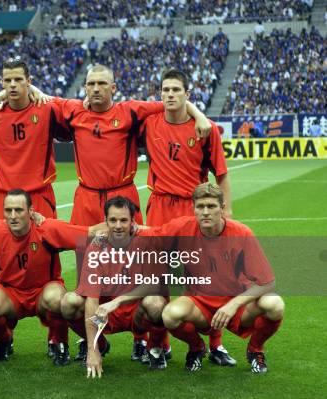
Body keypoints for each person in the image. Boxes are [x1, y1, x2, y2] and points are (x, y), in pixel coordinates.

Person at [57, 64, 212, 361]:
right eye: (91, 84)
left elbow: (172, 100)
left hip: (123, 196)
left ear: (114, 88)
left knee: (143, 267)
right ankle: (94, 339)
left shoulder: (130, 110)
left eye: (103, 83)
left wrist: (199, 114)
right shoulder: (74, 111)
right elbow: (36, 95)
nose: (96, 88)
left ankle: (147, 339)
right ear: (85, 87)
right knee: (89, 275)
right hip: (86, 198)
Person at [141, 68, 234, 365]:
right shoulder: (148, 122)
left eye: (176, 90)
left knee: (204, 276)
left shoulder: (205, 130)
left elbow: (221, 174)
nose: (170, 95)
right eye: (165, 90)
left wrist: (226, 211)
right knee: (156, 279)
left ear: (187, 95)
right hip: (159, 207)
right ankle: (159, 345)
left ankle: (215, 344)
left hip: (193, 209)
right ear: (159, 95)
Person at [157, 183, 284, 373]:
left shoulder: (242, 233)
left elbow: (268, 282)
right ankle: (197, 348)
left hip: (238, 305)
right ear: (193, 209)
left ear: (222, 208)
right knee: (170, 315)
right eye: (200, 207)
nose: (205, 212)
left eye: (211, 206)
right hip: (199, 303)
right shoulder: (182, 227)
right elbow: (146, 233)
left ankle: (255, 350)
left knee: (275, 304)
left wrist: (232, 305)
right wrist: (107, 230)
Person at [0, 189, 103, 365]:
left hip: (44, 290)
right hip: (10, 292)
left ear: (31, 211)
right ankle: (4, 340)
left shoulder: (47, 228)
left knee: (56, 298)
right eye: (8, 210)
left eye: (19, 210)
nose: (13, 216)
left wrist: (132, 228)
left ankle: (60, 344)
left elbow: (90, 232)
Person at [61, 196, 168, 375]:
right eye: (113, 220)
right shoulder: (96, 247)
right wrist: (92, 349)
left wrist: (118, 300)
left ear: (133, 222)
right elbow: (91, 299)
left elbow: (153, 284)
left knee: (156, 303)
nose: (118, 225)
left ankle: (155, 348)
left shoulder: (146, 241)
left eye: (124, 220)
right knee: (69, 302)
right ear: (105, 221)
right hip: (105, 314)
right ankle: (100, 345)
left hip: (137, 313)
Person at [0, 58, 70, 220]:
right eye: (8, 80)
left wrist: (42, 94)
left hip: (39, 196)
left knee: (49, 244)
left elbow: (80, 113)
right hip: (4, 198)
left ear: (29, 81)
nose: (13, 84)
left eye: (18, 79)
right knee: (2, 245)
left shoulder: (48, 110)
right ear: (2, 83)